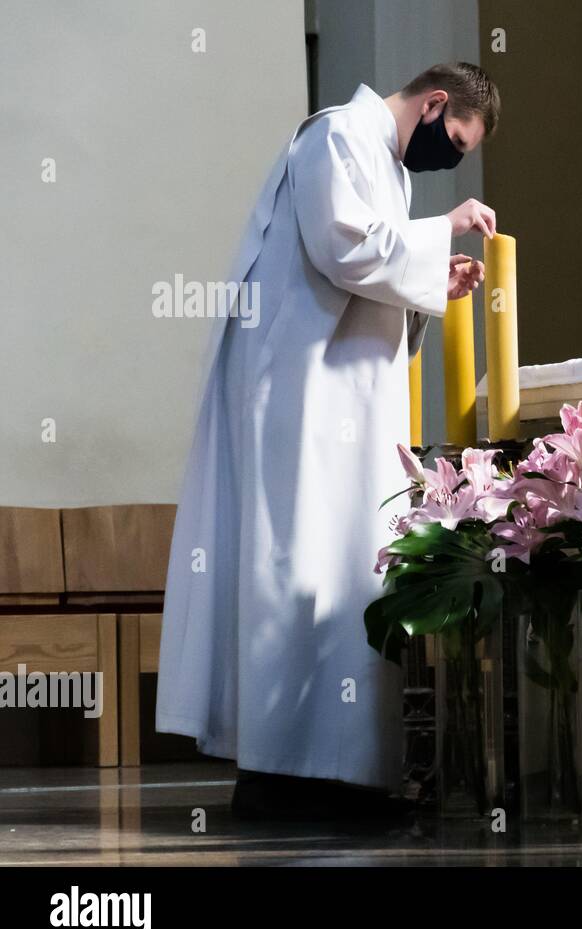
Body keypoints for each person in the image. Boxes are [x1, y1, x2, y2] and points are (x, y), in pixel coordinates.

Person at [155, 63, 501, 820]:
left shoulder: (388, 169)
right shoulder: (337, 136)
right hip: (299, 399)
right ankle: (281, 778)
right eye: (456, 142)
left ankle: (338, 777)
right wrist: (441, 232)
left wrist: (430, 282)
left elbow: (377, 273)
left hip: (344, 403)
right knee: (296, 563)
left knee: (345, 574)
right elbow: (344, 247)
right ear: (436, 104)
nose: (449, 160)